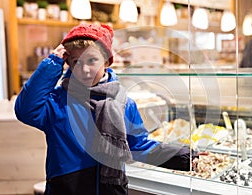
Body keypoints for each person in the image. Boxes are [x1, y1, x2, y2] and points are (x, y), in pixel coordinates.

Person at [14, 23, 200, 195]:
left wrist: (185, 157)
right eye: (76, 62)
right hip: (66, 188)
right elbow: (25, 110)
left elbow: (139, 145)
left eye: (92, 60)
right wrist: (53, 62)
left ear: (107, 62)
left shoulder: (125, 104)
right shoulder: (57, 101)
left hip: (111, 189)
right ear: (68, 63)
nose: (85, 69)